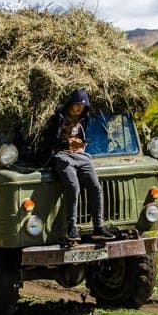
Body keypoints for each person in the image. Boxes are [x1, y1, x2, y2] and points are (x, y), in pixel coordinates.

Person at [46, 89, 116, 242]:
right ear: (71, 104)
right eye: (77, 104)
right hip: (62, 155)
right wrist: (68, 143)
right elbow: (51, 140)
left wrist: (81, 145)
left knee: (96, 186)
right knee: (73, 186)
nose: (79, 108)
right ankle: (72, 228)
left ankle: (98, 227)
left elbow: (82, 135)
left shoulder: (84, 117)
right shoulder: (59, 117)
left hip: (81, 155)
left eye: (82, 105)